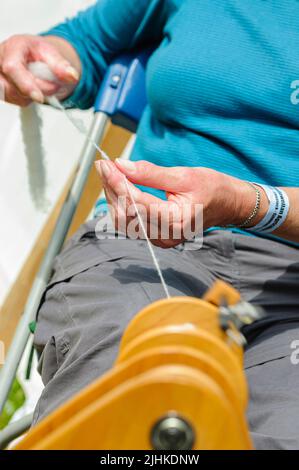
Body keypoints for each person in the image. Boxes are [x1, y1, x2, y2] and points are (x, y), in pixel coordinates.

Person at [1, 0, 299, 450]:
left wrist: (244, 202)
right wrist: (42, 56)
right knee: (130, 390)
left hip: (289, 290)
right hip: (140, 246)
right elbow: (86, 42)